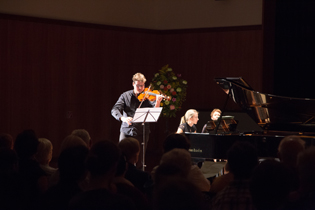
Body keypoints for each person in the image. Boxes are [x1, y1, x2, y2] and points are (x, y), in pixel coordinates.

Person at [111, 73, 163, 168]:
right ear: (133, 84)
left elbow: (155, 111)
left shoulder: (147, 97)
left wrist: (158, 102)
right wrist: (123, 118)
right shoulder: (125, 96)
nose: (140, 88)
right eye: (138, 85)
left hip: (142, 131)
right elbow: (115, 109)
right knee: (120, 156)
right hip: (126, 130)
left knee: (139, 160)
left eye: (142, 85)